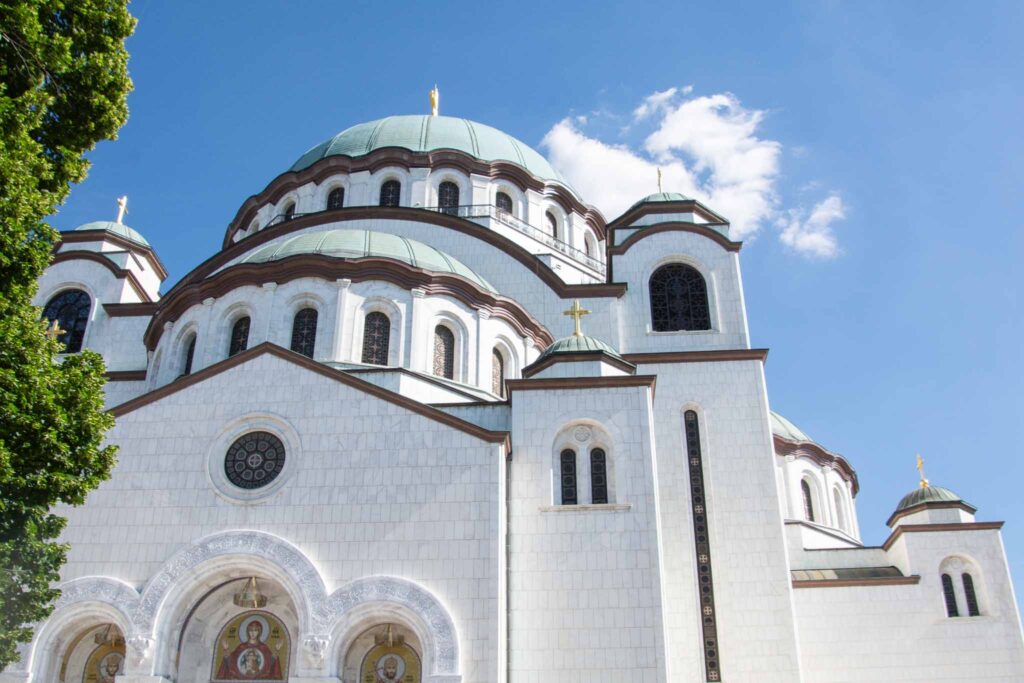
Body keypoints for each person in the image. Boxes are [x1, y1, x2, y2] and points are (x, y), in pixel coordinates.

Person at [216, 619, 282, 680]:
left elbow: (269, 663)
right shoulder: (241, 647)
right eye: (250, 630)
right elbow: (232, 663)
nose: (253, 633)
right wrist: (226, 649)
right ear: (248, 631)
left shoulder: (263, 647)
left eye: (255, 630)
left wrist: (276, 650)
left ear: (259, 632)